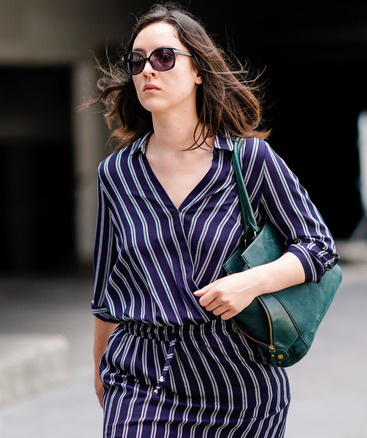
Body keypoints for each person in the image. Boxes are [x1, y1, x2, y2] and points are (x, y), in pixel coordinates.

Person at [87, 4, 339, 437]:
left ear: (198, 71)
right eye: (137, 61)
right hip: (143, 378)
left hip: (239, 383)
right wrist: (100, 373)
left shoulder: (249, 159)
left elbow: (319, 247)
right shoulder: (116, 174)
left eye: (164, 57)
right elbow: (108, 291)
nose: (148, 70)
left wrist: (250, 282)